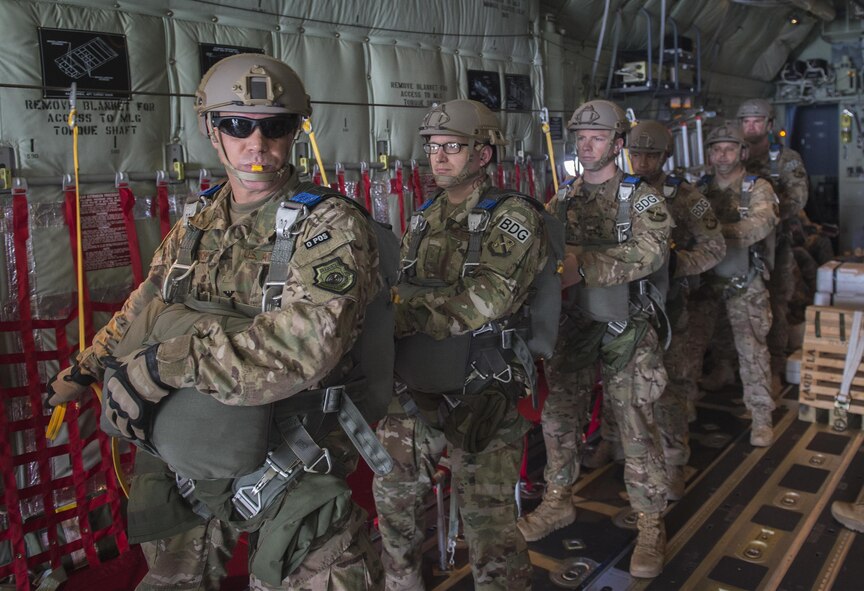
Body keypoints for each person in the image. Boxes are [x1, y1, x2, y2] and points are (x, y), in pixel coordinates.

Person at [46, 53, 388, 590]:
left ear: (296, 131)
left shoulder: (329, 226)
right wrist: (88, 367)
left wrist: (167, 365)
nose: (257, 144)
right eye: (237, 125)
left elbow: (307, 345)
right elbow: (147, 304)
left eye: (274, 127)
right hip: (196, 448)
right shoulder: (198, 223)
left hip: (292, 454)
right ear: (211, 129)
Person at [373, 99, 551, 590]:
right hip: (416, 385)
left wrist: (400, 318)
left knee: (488, 524)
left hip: (482, 384)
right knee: (394, 503)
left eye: (453, 147)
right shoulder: (425, 216)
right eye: (433, 147)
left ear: (484, 154)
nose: (439, 158)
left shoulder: (512, 217)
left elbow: (491, 296)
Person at [516, 99, 672, 578]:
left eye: (597, 137)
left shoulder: (641, 198)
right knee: (559, 417)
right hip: (577, 324)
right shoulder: (563, 199)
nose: (586, 146)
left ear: (617, 144)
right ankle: (558, 499)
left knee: (635, 425)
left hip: (628, 327)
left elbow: (651, 253)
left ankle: (650, 522)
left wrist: (581, 263)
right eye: (581, 138)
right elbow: (542, 247)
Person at [583, 120, 726, 500]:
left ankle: (675, 457)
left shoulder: (684, 195)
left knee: (671, 384)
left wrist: (678, 265)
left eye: (652, 154)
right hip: (619, 303)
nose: (643, 161)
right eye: (637, 153)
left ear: (666, 156)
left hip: (669, 303)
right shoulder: (617, 190)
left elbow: (715, 246)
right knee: (618, 377)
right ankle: (613, 440)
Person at [684, 121, 779, 448]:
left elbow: (759, 225)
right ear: (709, 154)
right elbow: (683, 222)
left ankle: (761, 416)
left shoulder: (758, 187)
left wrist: (711, 234)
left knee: (752, 351)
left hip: (745, 280)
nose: (722, 154)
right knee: (691, 347)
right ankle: (684, 407)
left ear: (742, 151)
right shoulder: (698, 188)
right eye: (716, 149)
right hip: (705, 280)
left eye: (729, 148)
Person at [739, 98, 809, 381]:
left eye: (757, 121)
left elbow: (798, 197)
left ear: (769, 125)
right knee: (736, 305)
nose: (751, 127)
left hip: (775, 244)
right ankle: (732, 365)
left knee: (776, 302)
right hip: (742, 247)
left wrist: (765, 215)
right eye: (746, 121)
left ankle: (776, 364)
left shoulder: (786, 159)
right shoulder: (734, 155)